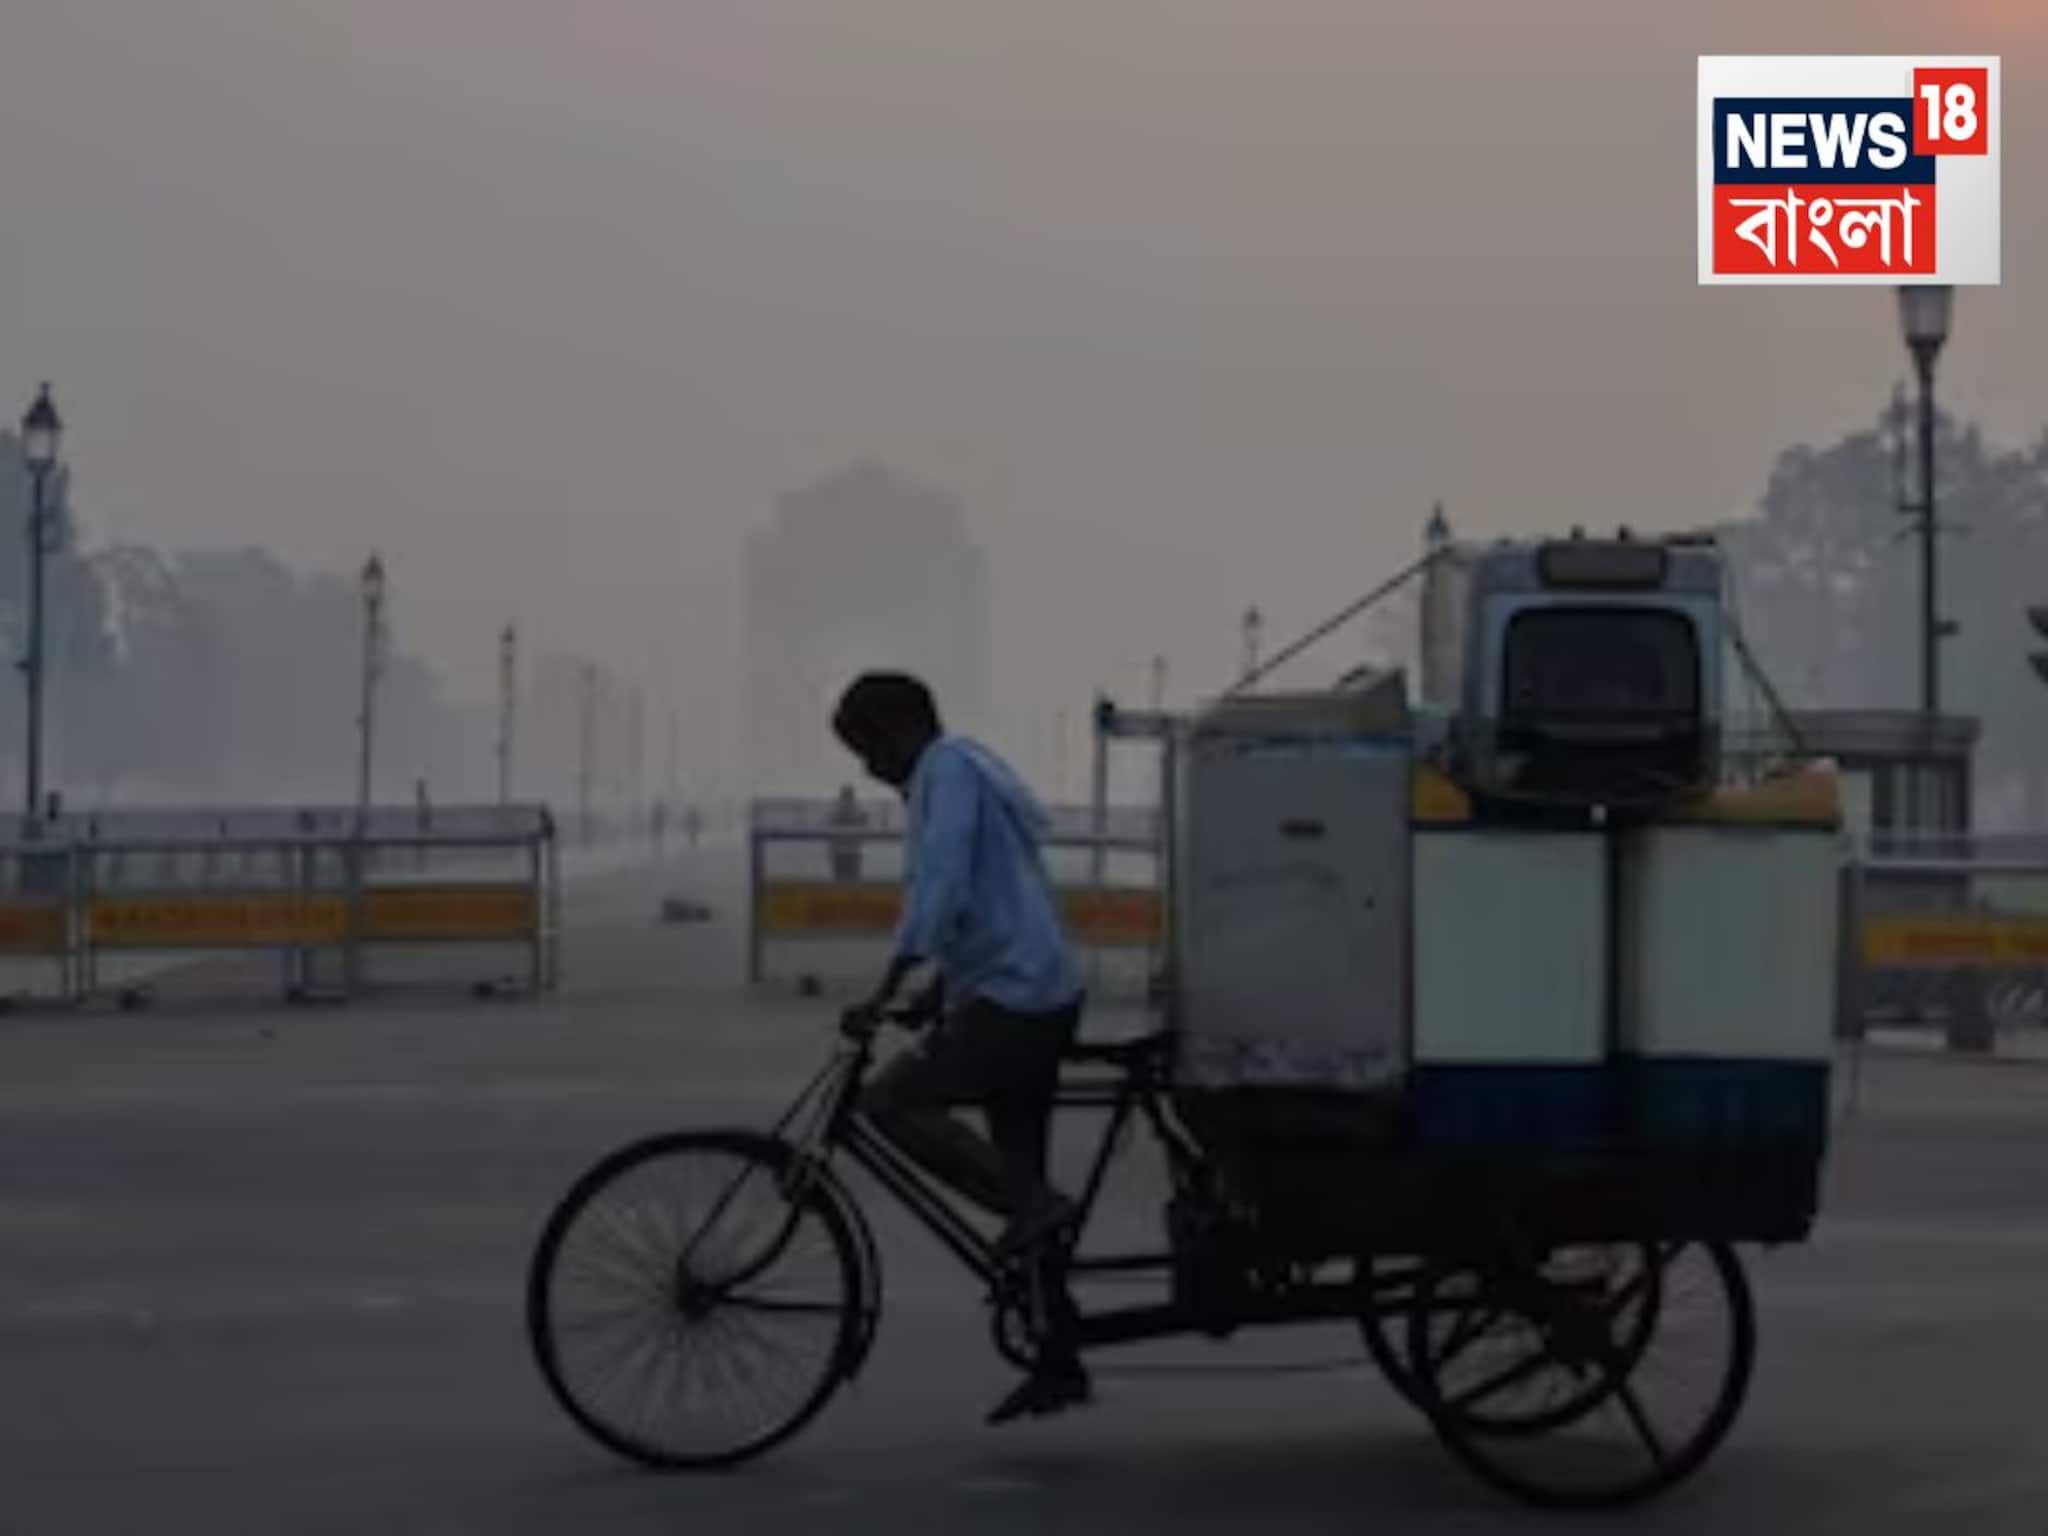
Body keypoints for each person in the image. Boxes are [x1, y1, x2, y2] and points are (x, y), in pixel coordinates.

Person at [832, 671, 1091, 1424]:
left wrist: (888, 983)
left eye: (867, 746)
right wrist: (934, 993)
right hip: (1024, 989)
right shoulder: (965, 769)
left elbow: (940, 886)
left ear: (900, 730)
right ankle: (1058, 1358)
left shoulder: (947, 771)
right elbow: (989, 898)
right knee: (1018, 1169)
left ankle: (1036, 1207)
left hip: (1019, 998)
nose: (867, 768)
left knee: (890, 1103)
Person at [827, 784, 868, 883]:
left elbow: (830, 830)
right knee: (852, 881)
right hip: (850, 852)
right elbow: (864, 823)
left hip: (843, 852)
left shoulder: (836, 809)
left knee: (840, 881)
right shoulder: (857, 810)